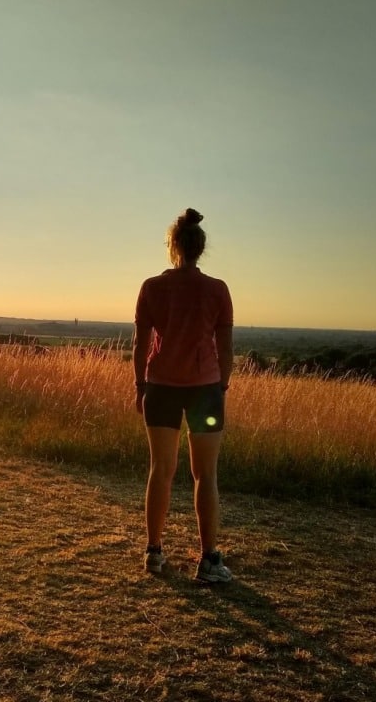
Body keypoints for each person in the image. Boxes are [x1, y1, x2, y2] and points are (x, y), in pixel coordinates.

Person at [133, 208, 234, 583]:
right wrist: (220, 387)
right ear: (200, 247)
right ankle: (209, 561)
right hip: (205, 390)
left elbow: (140, 346)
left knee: (160, 470)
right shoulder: (218, 290)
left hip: (160, 388)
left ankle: (154, 553)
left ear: (172, 246)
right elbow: (226, 351)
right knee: (205, 475)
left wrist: (140, 387)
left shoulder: (151, 288)